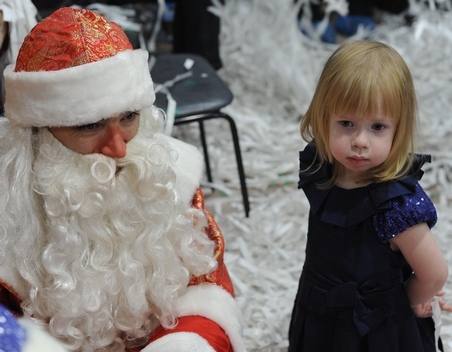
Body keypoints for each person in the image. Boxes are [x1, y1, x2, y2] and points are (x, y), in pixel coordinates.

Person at [0, 7, 246, 352]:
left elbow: (205, 289)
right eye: (89, 125)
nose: (118, 148)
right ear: (37, 136)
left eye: (129, 117)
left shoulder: (169, 180)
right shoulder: (6, 216)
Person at [288, 40, 449, 351]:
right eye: (346, 123)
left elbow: (434, 273)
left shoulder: (395, 204)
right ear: (324, 117)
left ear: (398, 130)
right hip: (319, 310)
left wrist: (409, 302)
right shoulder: (323, 169)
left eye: (377, 126)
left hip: (375, 331)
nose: (359, 141)